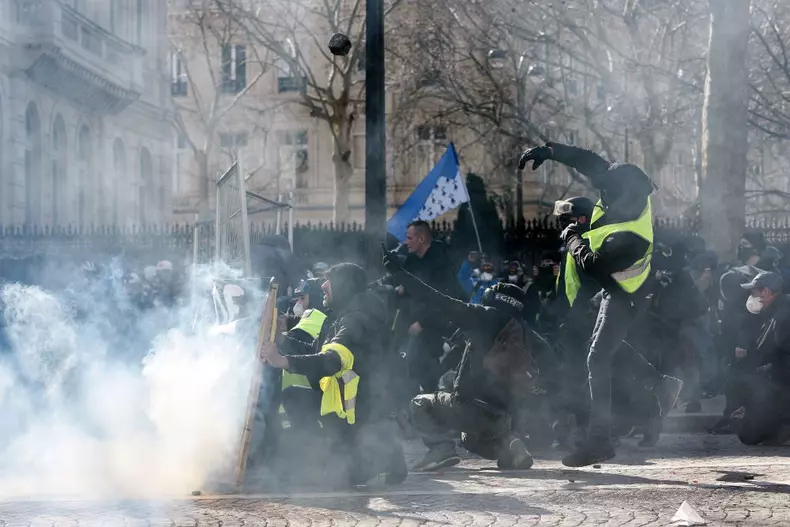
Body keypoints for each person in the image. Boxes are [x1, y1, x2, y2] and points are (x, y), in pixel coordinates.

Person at [518, 142, 683, 467]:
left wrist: (572, 238)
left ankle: (600, 440)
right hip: (610, 290)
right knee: (602, 351)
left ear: (623, 195)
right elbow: (588, 160)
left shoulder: (631, 235)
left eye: (608, 191)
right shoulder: (622, 186)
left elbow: (593, 265)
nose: (602, 195)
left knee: (597, 359)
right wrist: (548, 151)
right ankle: (658, 384)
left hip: (627, 295)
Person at [383, 249, 543, 472]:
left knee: (419, 402)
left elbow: (436, 299)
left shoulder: (482, 317)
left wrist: (400, 274)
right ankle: (510, 445)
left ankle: (441, 449)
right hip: (506, 416)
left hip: (471, 409)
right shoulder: (524, 333)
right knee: (468, 437)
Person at [260, 263, 406, 487]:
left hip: (362, 414)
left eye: (331, 280)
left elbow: (330, 361)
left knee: (338, 479)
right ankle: (333, 452)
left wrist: (282, 361)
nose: (324, 286)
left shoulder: (357, 320)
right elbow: (315, 351)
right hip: (351, 412)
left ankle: (383, 452)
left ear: (345, 286)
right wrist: (281, 340)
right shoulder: (343, 316)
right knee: (294, 396)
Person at [735, 272, 790, 445]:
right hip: (778, 376)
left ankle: (783, 423)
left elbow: (777, 351)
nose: (754, 297)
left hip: (781, 378)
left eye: (755, 292)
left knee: (750, 434)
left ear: (765, 291)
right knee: (749, 434)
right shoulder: (775, 312)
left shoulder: (782, 315)